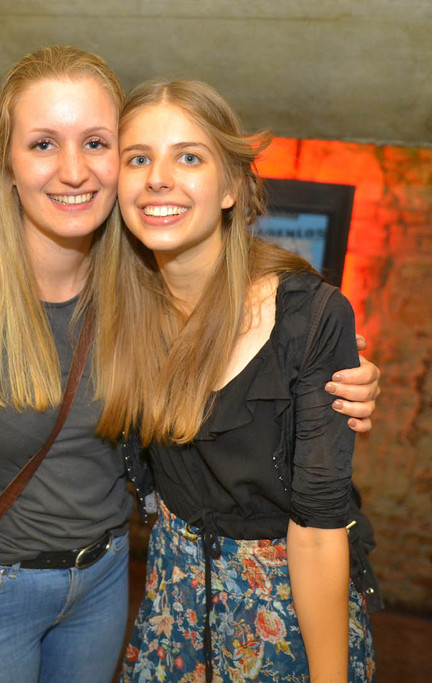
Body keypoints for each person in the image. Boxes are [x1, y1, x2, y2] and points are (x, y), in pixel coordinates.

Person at [0, 47, 380, 683]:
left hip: (117, 586)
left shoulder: (132, 279)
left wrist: (326, 369)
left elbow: (307, 493)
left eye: (96, 144)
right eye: (43, 144)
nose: (74, 169)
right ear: (8, 160)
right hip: (2, 599)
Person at [96, 79, 376, 683]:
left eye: (188, 157)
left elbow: (318, 532)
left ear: (230, 188)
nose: (158, 178)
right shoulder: (117, 297)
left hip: (286, 620)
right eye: (138, 158)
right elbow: (20, 190)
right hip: (170, 614)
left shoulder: (307, 317)